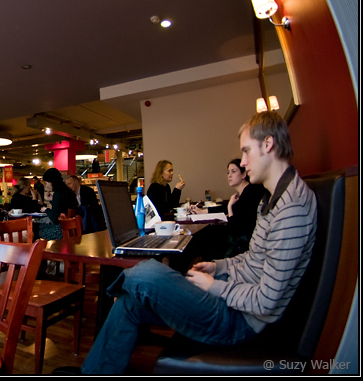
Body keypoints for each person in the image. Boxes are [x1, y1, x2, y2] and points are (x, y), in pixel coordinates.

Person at [54, 111, 317, 375]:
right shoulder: (273, 199)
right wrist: (219, 267)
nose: (244, 162)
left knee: (146, 273)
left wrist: (214, 287)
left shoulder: (291, 207)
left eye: (247, 151)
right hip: (233, 299)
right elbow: (252, 259)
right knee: (130, 300)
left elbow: (267, 301)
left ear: (268, 144)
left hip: (241, 321)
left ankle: (124, 285)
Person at [191, 159, 266, 259]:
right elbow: (225, 208)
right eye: (228, 172)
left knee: (205, 237)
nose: (229, 175)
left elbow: (236, 230)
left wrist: (230, 208)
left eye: (233, 171)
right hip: (239, 238)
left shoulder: (250, 193)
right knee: (203, 236)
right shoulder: (242, 193)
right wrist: (203, 211)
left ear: (244, 175)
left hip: (243, 242)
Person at [37, 168, 78, 240]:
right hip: (72, 229)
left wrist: (46, 209)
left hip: (61, 231)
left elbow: (54, 218)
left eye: (47, 183)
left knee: (38, 230)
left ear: (52, 182)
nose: (46, 186)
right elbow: (63, 207)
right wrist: (52, 200)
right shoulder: (68, 192)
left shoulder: (57, 194)